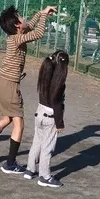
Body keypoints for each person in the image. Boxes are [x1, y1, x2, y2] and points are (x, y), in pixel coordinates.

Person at [0, 4, 57, 174]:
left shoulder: (16, 36)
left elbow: (30, 27)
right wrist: (42, 17)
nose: (24, 18)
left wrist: (41, 13)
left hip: (1, 83)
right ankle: (10, 163)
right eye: (20, 17)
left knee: (8, 118)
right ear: (17, 25)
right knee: (19, 123)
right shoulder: (17, 39)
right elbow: (38, 33)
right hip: (9, 85)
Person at [24, 50, 69, 188]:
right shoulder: (58, 84)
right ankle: (45, 176)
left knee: (37, 142)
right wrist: (59, 123)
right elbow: (56, 104)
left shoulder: (45, 76)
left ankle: (30, 169)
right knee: (47, 147)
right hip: (50, 116)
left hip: (39, 112)